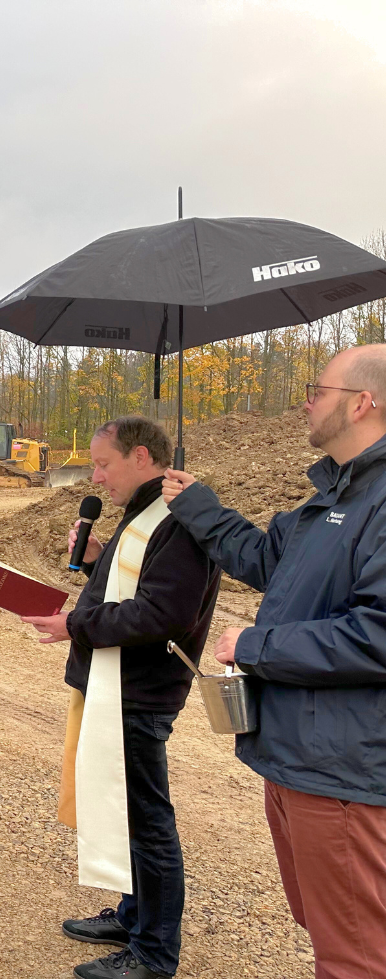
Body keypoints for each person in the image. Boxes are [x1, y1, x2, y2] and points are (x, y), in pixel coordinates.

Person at [163, 345, 386, 978]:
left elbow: (379, 634)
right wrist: (198, 505)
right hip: (298, 760)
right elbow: (265, 560)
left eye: (318, 391)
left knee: (356, 954)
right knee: (329, 928)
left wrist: (255, 646)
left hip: (344, 771)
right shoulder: (332, 496)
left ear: (362, 403)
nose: (306, 403)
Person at [21, 416, 220, 979]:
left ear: (140, 456)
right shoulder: (147, 510)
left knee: (146, 823)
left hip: (139, 692)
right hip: (119, 686)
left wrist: (74, 625)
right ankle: (134, 918)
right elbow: (136, 583)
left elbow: (162, 614)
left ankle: (153, 954)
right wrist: (95, 558)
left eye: (103, 464)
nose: (96, 477)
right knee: (124, 812)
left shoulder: (180, 518)